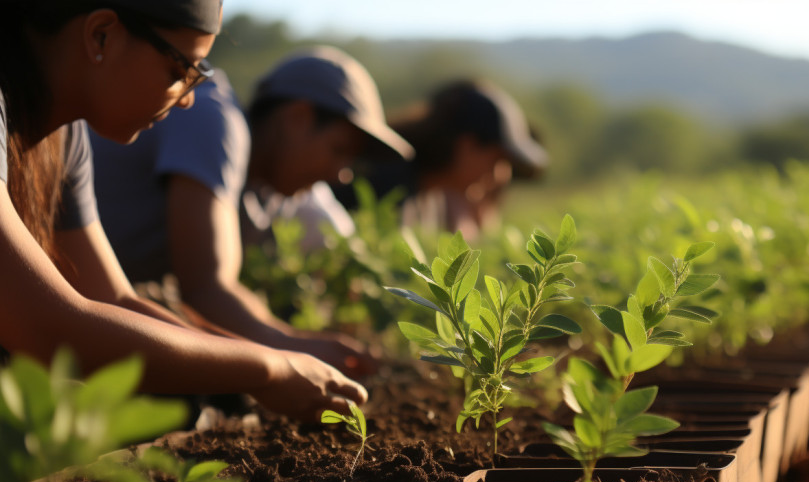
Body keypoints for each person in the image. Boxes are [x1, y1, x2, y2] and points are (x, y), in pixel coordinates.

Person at [0, 0, 366, 424]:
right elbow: (54, 328)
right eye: (179, 72)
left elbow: (115, 299)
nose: (188, 101)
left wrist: (269, 361)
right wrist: (268, 369)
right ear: (101, 35)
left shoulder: (64, 135)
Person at [89, 47, 413, 377]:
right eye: (338, 150)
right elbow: (206, 288)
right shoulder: (214, 120)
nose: (340, 174)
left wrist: (295, 341)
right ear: (297, 118)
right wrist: (294, 352)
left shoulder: (258, 194)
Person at [334, 79, 547, 241]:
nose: (502, 175)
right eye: (497, 160)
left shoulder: (428, 195)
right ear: (467, 146)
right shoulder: (384, 185)